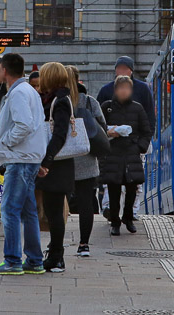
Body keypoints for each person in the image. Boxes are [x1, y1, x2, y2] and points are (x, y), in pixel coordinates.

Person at [0, 53, 49, 276]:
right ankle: (34, 260)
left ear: (4, 71)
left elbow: (24, 125)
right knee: (27, 210)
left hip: (19, 158)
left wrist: (6, 142)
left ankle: (12, 260)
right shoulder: (29, 91)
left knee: (9, 210)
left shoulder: (18, 94)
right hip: (28, 157)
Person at [97, 57, 155, 220]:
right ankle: (109, 209)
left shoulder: (142, 90)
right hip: (112, 145)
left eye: (124, 68)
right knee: (111, 180)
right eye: (119, 68)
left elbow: (150, 118)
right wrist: (107, 134)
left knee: (135, 181)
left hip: (134, 145)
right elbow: (98, 120)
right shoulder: (105, 91)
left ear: (131, 71)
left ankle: (132, 212)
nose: (121, 71)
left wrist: (142, 144)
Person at [35, 62, 78, 273]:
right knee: (51, 211)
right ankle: (53, 252)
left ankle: (56, 257)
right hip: (54, 163)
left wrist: (46, 161)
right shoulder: (53, 98)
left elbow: (59, 134)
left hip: (56, 165)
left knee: (54, 213)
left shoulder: (60, 101)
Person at [69, 65, 105, 257]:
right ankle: (84, 244)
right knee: (86, 204)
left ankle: (54, 244)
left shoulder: (57, 102)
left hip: (61, 161)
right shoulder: (90, 102)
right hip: (87, 159)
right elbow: (102, 128)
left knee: (58, 205)